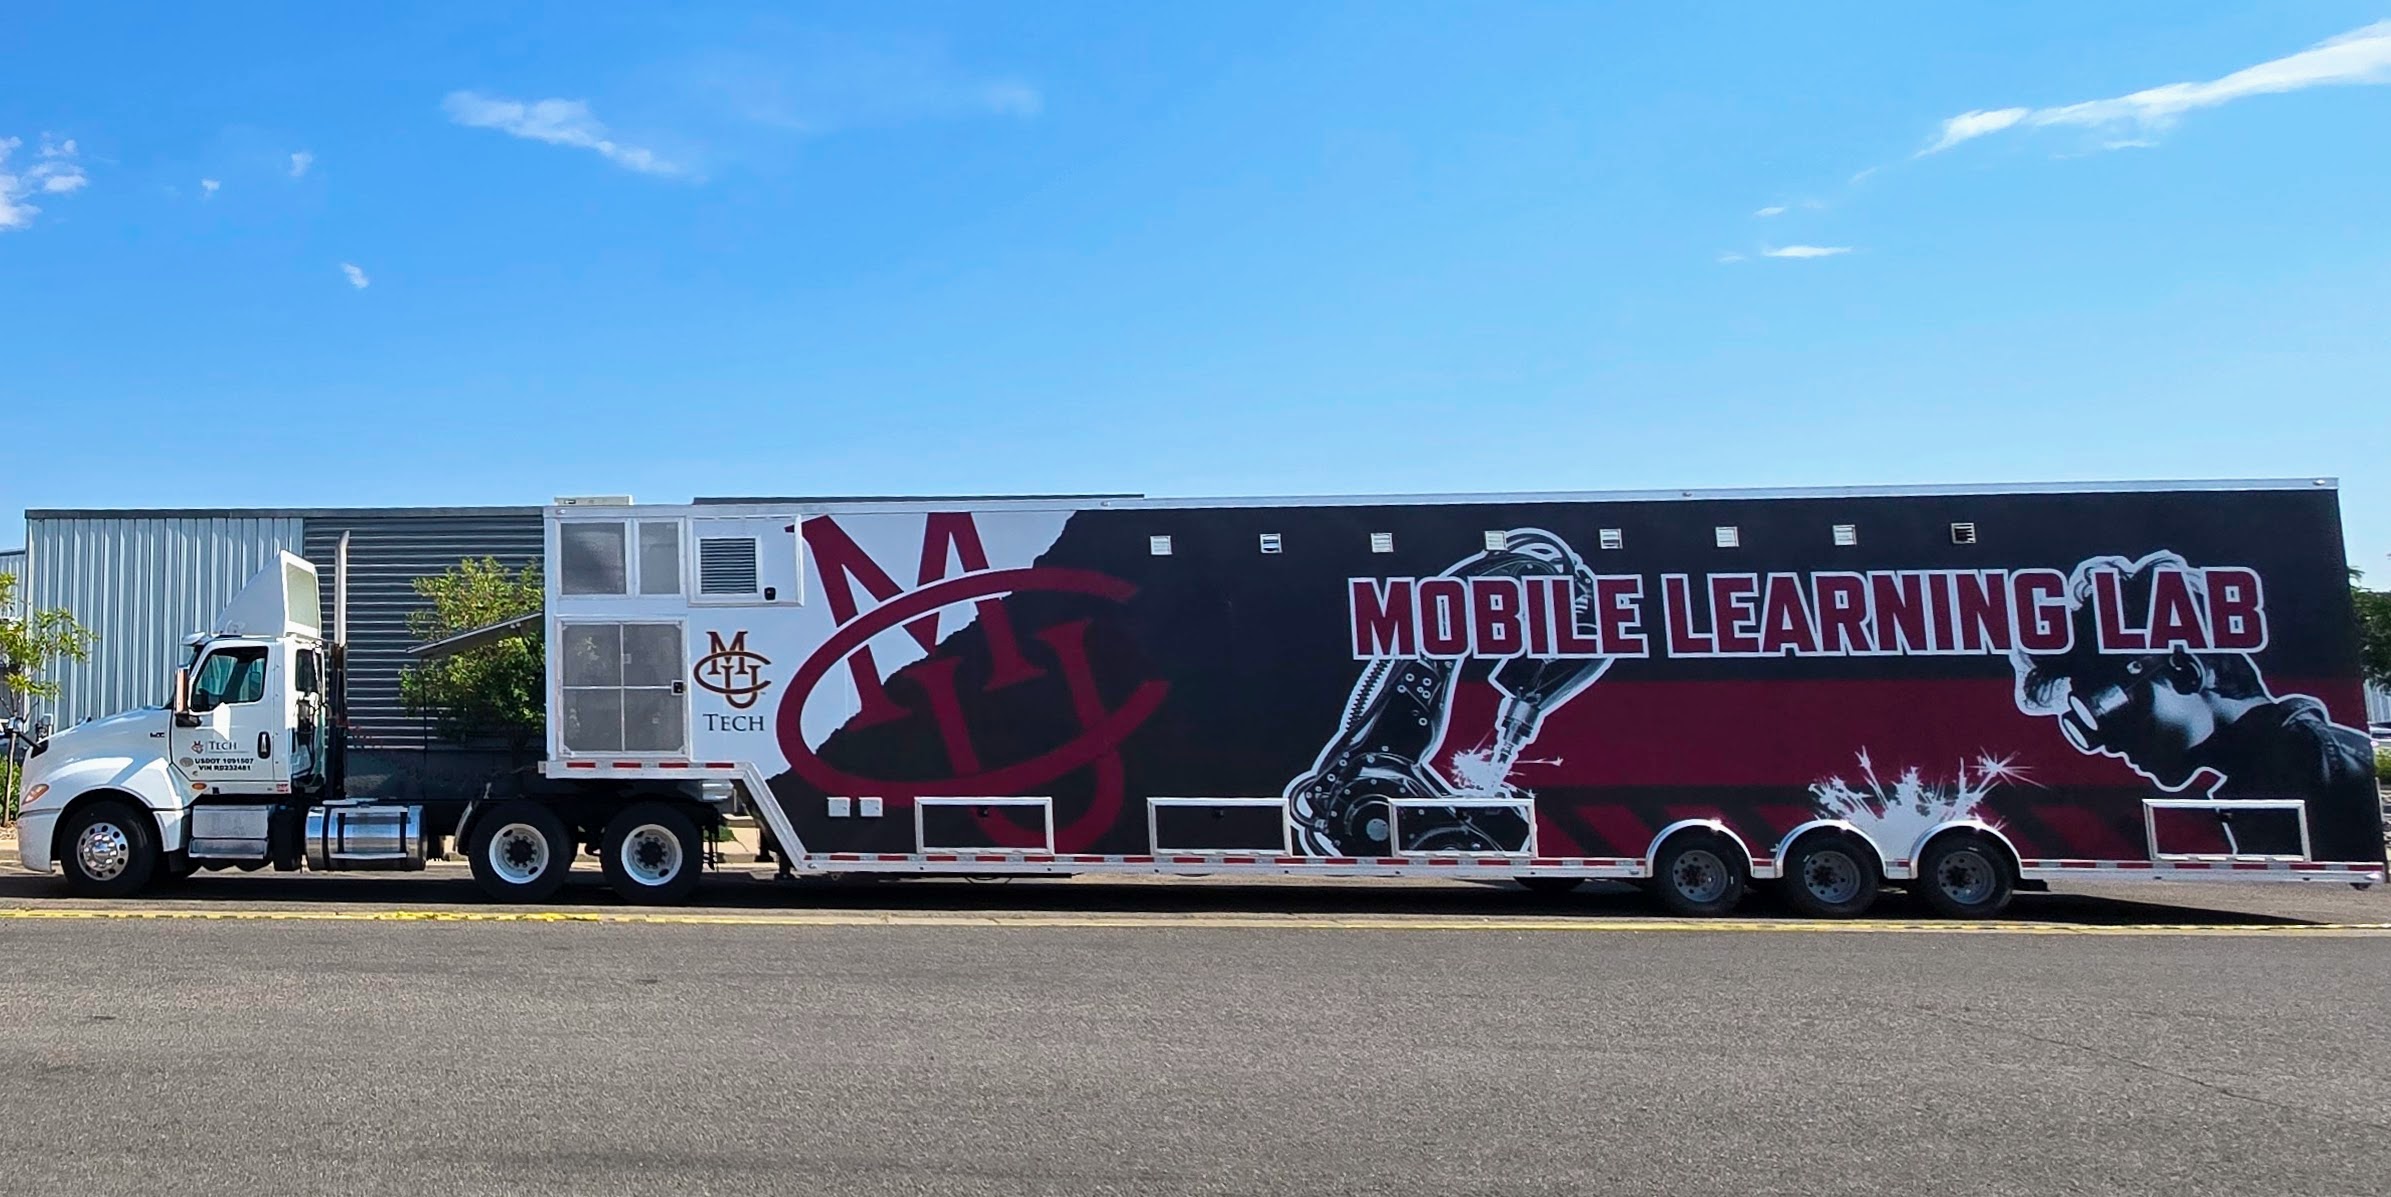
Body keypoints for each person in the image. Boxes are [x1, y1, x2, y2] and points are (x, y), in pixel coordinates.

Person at [2014, 552, 2377, 856]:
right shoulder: (2273, 772)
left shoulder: (2325, 764)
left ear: (2186, 671)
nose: (2110, 741)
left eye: (2107, 707)